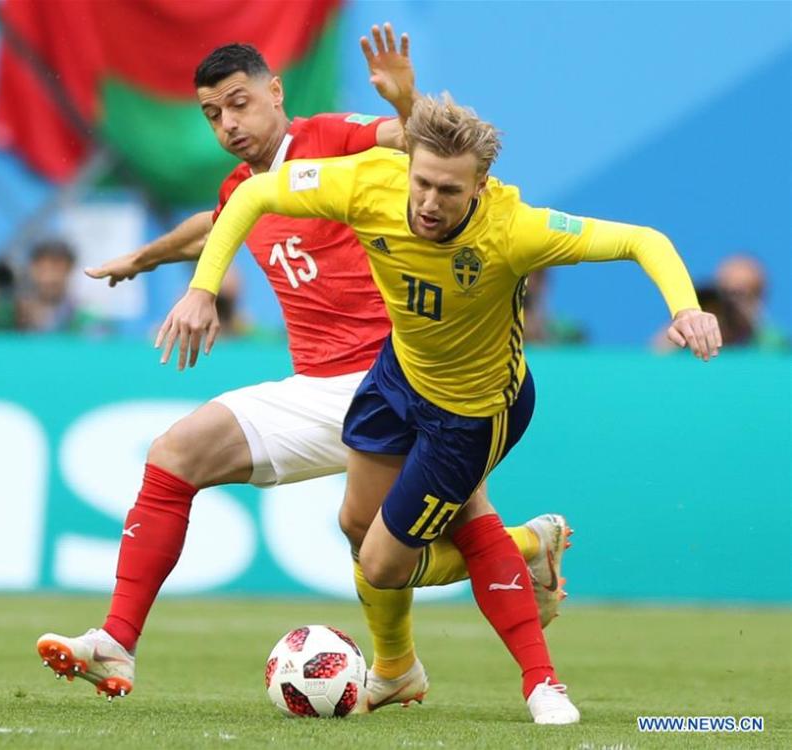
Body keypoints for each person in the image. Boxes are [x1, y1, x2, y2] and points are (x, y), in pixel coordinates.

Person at [37, 28, 571, 708]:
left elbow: (420, 152)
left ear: (275, 92)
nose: (228, 124)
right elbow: (216, 223)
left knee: (434, 529)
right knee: (176, 454)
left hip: (401, 375)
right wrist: (146, 260)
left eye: (238, 104)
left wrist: (406, 103)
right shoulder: (244, 188)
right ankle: (117, 640)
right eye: (212, 114)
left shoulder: (335, 138)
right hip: (319, 387)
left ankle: (536, 674)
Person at [158, 94, 722, 724]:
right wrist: (203, 289)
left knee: (380, 561)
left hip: (472, 413)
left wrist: (684, 306)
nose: (428, 202)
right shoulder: (369, 182)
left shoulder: (516, 230)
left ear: (480, 186)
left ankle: (542, 682)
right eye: (422, 183)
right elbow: (253, 197)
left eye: (449, 191)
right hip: (396, 379)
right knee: (356, 527)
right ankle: (402, 667)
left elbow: (642, 239)